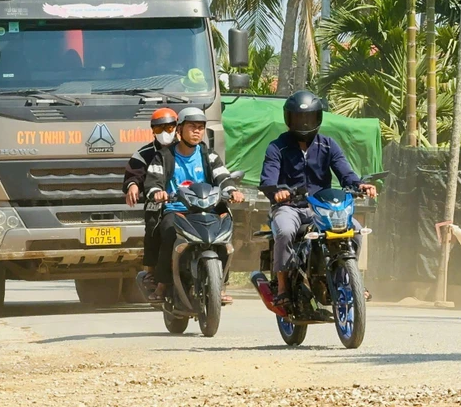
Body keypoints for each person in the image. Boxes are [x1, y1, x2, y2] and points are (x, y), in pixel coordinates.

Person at [259, 90, 376, 317]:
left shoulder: (328, 145)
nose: (304, 123)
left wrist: (360, 185)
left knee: (357, 231)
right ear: (289, 119)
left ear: (318, 118)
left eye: (309, 118)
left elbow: (346, 173)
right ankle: (282, 286)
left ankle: (349, 279)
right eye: (298, 118)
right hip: (290, 207)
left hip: (321, 206)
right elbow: (268, 179)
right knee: (284, 231)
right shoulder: (277, 147)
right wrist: (277, 192)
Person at [144, 107, 245, 303]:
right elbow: (153, 181)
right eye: (192, 127)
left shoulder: (209, 155)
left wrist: (232, 191)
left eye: (200, 127)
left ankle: (220, 285)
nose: (197, 131)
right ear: (179, 130)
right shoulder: (164, 156)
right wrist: (157, 192)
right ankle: (163, 285)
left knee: (224, 238)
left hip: (207, 210)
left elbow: (222, 176)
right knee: (169, 233)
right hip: (177, 211)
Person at [123, 108, 178, 292]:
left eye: (169, 128)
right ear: (152, 130)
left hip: (190, 202)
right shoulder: (144, 153)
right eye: (159, 129)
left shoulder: (189, 149)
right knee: (154, 227)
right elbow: (134, 174)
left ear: (177, 128)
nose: (164, 133)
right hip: (159, 201)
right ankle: (151, 272)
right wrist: (133, 185)